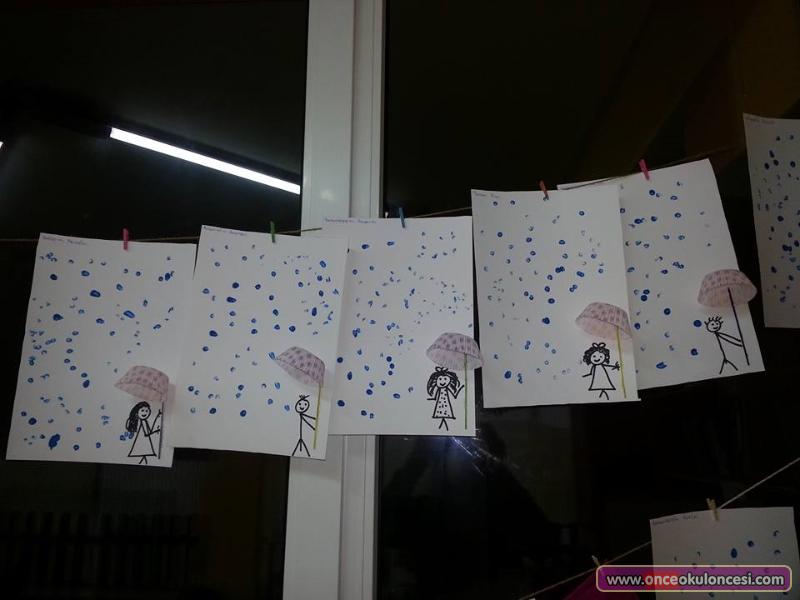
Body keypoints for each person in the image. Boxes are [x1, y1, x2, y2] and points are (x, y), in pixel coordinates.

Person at [426, 367, 463, 431]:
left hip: (446, 405)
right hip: (440, 404)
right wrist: (432, 398)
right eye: (440, 379)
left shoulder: (447, 389)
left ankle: (442, 426)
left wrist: (459, 389)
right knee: (442, 417)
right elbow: (435, 397)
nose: (442, 381)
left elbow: (454, 396)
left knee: (444, 417)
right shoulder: (439, 390)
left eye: (445, 379)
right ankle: (442, 426)